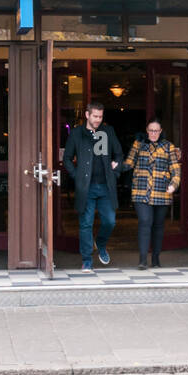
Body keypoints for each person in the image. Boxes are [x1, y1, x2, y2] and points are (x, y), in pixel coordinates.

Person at [62, 102, 124, 271]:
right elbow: (67, 159)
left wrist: (116, 168)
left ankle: (101, 244)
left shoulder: (108, 132)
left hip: (105, 186)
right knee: (86, 224)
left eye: (100, 117)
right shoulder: (76, 134)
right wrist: (77, 176)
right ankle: (87, 259)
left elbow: (119, 154)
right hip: (86, 187)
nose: (98, 120)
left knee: (110, 221)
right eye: (95, 116)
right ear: (87, 115)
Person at [122, 120, 182, 269]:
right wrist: (114, 166)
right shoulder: (139, 144)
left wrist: (174, 185)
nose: (153, 134)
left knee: (158, 226)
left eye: (156, 131)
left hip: (162, 191)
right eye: (151, 130)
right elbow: (128, 163)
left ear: (161, 131)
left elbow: (175, 169)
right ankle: (142, 260)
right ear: (146, 131)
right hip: (140, 190)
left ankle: (155, 258)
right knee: (145, 221)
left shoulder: (169, 146)